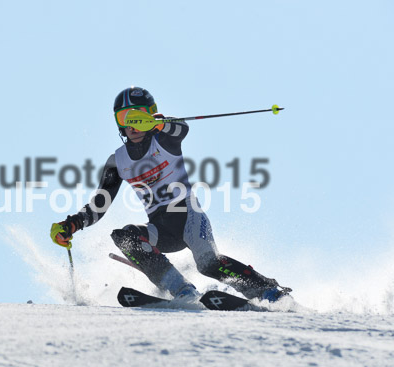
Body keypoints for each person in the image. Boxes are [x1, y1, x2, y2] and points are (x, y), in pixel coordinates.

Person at [50, 86, 290, 302]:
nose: (133, 125)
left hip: (188, 217)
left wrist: (158, 124)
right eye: (125, 118)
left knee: (208, 264)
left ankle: (267, 290)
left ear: (151, 114)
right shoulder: (117, 161)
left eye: (139, 116)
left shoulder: (164, 139)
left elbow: (181, 128)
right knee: (125, 236)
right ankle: (183, 291)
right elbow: (100, 204)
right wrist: (72, 224)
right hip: (161, 230)